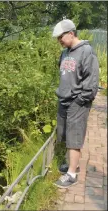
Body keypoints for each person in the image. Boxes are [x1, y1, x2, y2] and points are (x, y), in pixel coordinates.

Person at [52, 19, 99, 188]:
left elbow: (92, 83)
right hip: (64, 100)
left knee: (74, 137)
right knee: (64, 134)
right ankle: (73, 164)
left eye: (61, 37)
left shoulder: (87, 52)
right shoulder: (65, 52)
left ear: (71, 34)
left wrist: (80, 100)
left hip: (78, 102)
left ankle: (71, 175)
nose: (59, 41)